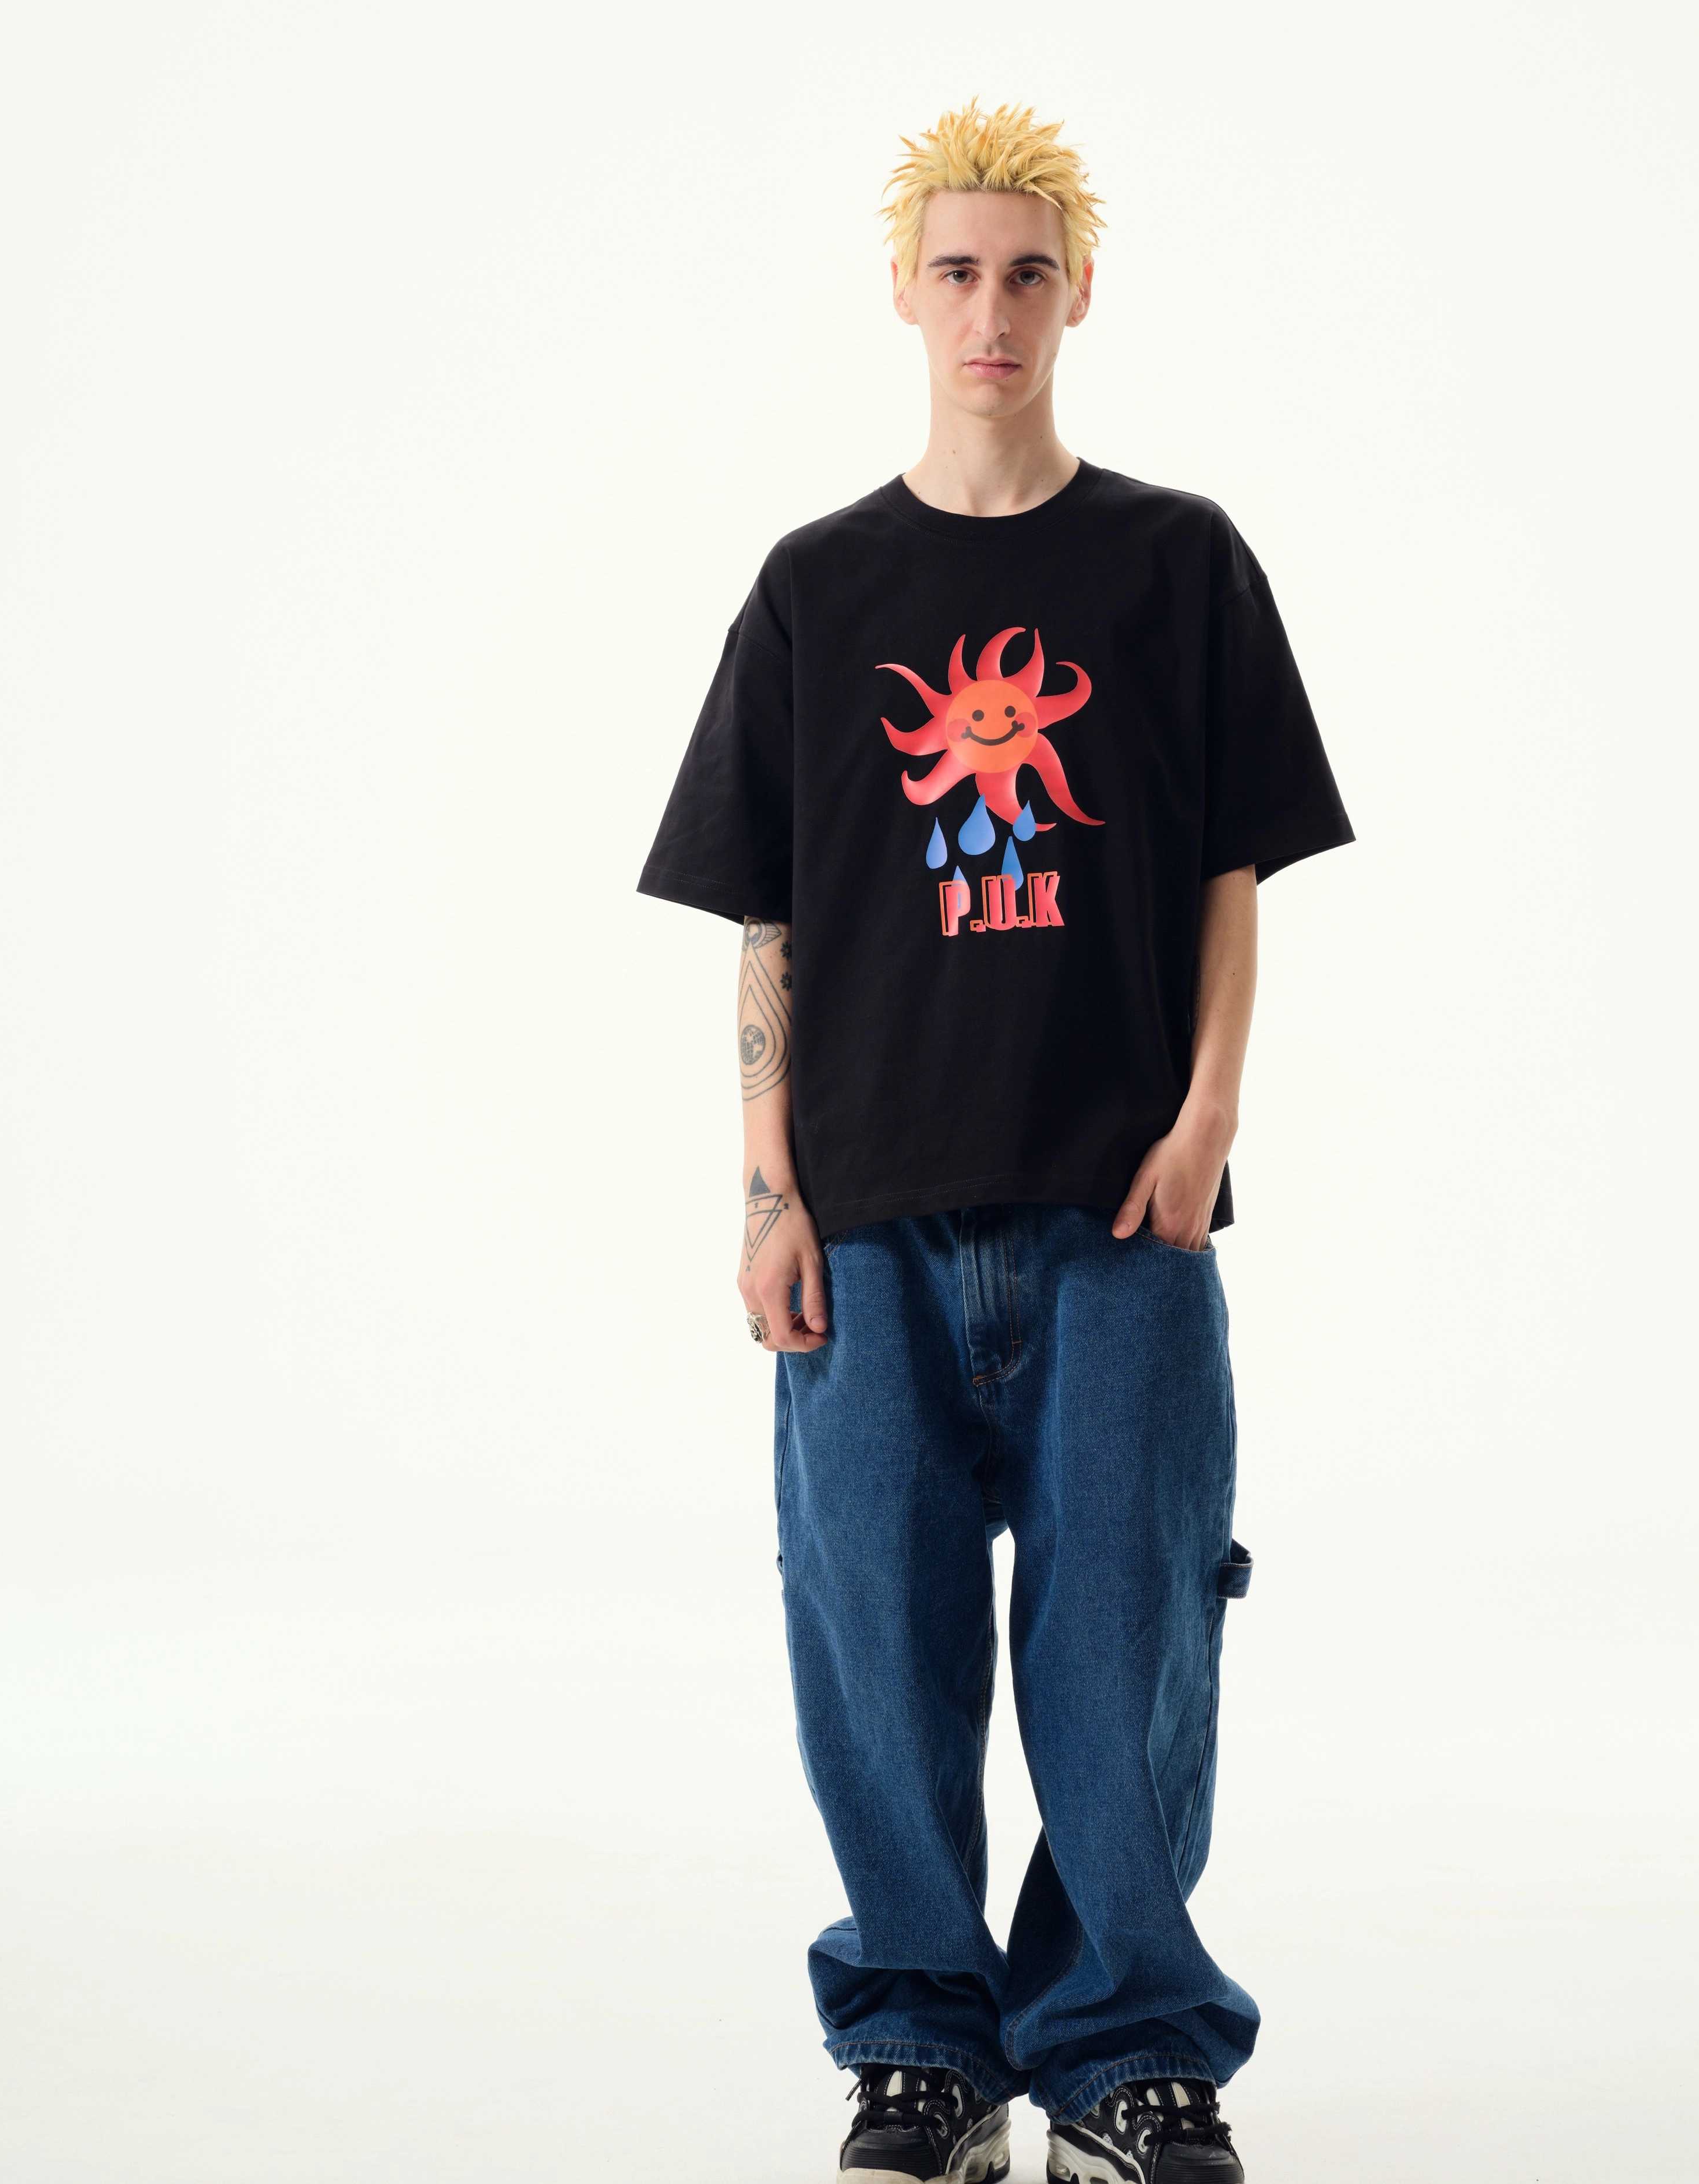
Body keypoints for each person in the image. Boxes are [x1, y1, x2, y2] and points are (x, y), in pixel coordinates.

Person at [639, 100, 1352, 2184]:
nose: (990, 310)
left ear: (1080, 291)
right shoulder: (816, 587)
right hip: (866, 1221)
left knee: (1129, 1633)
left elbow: (1229, 868)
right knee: (876, 1638)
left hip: (1120, 1210)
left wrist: (1209, 1115)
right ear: (899, 290)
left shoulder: (1176, 562)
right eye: (954, 270)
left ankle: (1125, 2052)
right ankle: (923, 2049)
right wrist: (766, 1190)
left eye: (1026, 272)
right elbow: (770, 916)